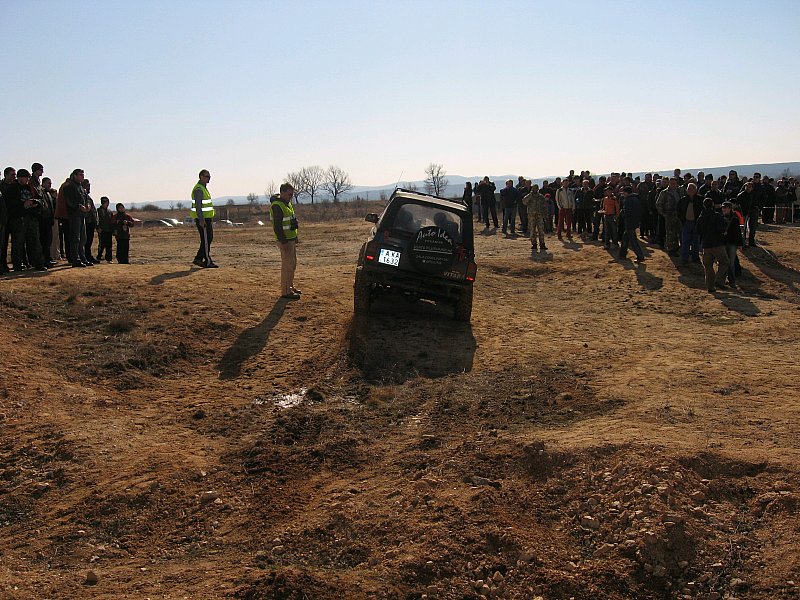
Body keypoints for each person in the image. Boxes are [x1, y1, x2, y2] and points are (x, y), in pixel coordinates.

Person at [271, 183, 300, 299]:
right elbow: (277, 226)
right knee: (287, 266)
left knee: (292, 264)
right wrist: (283, 241)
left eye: (292, 194)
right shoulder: (277, 206)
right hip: (285, 241)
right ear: (282, 193)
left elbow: (291, 221)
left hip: (290, 239)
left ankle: (290, 287)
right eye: (289, 194)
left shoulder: (287, 204)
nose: (291, 197)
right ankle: (286, 291)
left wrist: (295, 236)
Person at [696, 197, 729, 293]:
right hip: (717, 243)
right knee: (724, 262)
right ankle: (718, 280)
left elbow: (698, 231)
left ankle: (710, 287)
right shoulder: (717, 216)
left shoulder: (701, 218)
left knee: (708, 267)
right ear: (713, 205)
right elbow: (722, 228)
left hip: (706, 244)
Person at [63, 168, 92, 267]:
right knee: (75, 238)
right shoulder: (69, 187)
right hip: (74, 215)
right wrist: (79, 206)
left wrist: (88, 205)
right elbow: (69, 201)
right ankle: (75, 259)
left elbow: (87, 198)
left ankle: (83, 258)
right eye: (80, 175)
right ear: (75, 176)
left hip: (82, 215)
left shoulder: (81, 187)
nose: (82, 177)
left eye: (83, 175)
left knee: (83, 238)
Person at [191, 169, 217, 268]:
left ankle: (198, 258)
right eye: (207, 176)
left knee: (208, 239)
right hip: (203, 219)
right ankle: (207, 261)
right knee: (206, 239)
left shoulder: (203, 188)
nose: (209, 179)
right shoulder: (199, 189)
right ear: (201, 177)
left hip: (207, 218)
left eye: (209, 177)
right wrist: (201, 220)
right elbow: (198, 206)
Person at [677, 183, 703, 265]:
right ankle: (685, 258)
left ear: (695, 190)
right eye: (688, 189)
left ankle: (695, 257)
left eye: (691, 189)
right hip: (686, 223)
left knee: (696, 242)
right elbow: (678, 211)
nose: (689, 191)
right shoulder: (683, 200)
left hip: (696, 223)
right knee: (685, 241)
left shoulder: (700, 199)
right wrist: (682, 220)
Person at [618, 186, 645, 263]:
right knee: (625, 239)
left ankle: (640, 256)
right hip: (634, 222)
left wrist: (621, 214)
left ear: (626, 193)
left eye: (623, 193)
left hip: (630, 222)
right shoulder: (636, 199)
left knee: (633, 241)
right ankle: (622, 255)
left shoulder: (628, 200)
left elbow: (627, 212)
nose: (623, 194)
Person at [656, 177, 681, 255]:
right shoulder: (664, 192)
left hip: (679, 215)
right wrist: (664, 214)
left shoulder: (679, 191)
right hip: (669, 215)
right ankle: (670, 249)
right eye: (671, 183)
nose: (673, 185)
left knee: (678, 232)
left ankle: (676, 247)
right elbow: (658, 204)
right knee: (670, 233)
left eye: (674, 183)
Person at [721, 201, 743, 289]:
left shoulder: (734, 220)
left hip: (732, 243)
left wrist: (740, 244)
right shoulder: (720, 218)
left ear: (730, 209)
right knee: (723, 263)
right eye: (723, 207)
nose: (724, 209)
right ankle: (723, 281)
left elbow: (738, 233)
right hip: (723, 243)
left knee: (731, 264)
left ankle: (732, 281)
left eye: (725, 207)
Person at [521, 184, 548, 252]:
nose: (535, 189)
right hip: (531, 216)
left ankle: (542, 244)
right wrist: (530, 194)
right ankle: (534, 244)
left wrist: (545, 215)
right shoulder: (529, 196)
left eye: (536, 188)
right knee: (532, 230)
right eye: (534, 188)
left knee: (541, 230)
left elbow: (544, 206)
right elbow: (524, 202)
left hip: (539, 215)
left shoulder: (541, 197)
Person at [82, 178, 100, 263]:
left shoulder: (87, 196)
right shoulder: (84, 196)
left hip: (91, 222)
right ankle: (86, 256)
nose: (89, 188)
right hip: (87, 222)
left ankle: (87, 256)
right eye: (87, 186)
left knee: (89, 241)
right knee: (86, 241)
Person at [96, 196, 114, 262]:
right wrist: (98, 227)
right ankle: (99, 256)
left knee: (109, 245)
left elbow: (112, 221)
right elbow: (96, 220)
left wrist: (113, 229)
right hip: (102, 230)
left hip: (109, 230)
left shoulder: (109, 211)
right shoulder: (98, 211)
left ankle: (109, 258)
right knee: (102, 244)